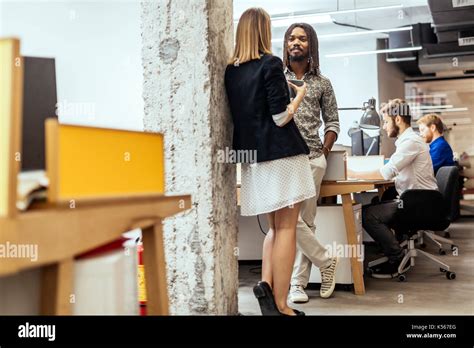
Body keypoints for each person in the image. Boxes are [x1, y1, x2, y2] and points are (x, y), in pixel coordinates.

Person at [225, 8, 316, 316]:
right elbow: (280, 117)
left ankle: (266, 288)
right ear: (263, 30)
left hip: (254, 160)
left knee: (275, 230)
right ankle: (281, 304)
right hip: (283, 155)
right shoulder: (270, 64)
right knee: (288, 227)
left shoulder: (232, 71)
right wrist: (299, 96)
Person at [282, 23, 340, 303]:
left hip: (314, 158)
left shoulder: (322, 83)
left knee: (305, 220)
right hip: (284, 158)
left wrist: (325, 151)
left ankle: (297, 285)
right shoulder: (276, 78)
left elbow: (333, 122)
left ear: (310, 45)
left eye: (302, 39)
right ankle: (326, 260)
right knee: (287, 218)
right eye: (292, 38)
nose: (296, 43)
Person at [348, 99, 438, 275]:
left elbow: (386, 173)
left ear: (397, 119)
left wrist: (353, 174)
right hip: (421, 200)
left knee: (368, 214)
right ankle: (394, 248)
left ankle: (395, 257)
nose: (383, 127)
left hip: (420, 204)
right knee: (378, 201)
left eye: (386, 121)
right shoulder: (409, 141)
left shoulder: (411, 142)